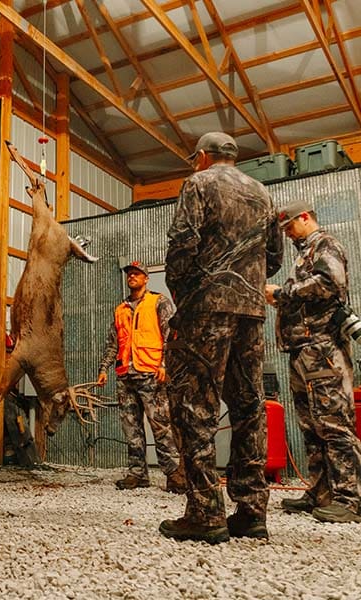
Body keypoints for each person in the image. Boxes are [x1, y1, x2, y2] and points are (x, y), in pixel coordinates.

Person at [159, 132, 283, 543]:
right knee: (249, 407)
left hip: (206, 310)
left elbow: (182, 243)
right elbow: (275, 258)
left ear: (202, 158)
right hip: (251, 312)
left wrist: (184, 296)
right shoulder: (263, 192)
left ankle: (206, 513)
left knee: (194, 405)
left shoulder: (199, 183)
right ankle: (251, 512)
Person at [265, 200, 361, 523]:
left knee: (334, 423)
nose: (288, 233)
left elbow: (329, 283)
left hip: (321, 348)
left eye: (291, 225)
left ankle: (351, 498)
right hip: (301, 350)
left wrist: (282, 294)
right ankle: (321, 492)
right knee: (310, 425)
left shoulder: (326, 244)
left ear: (306, 218)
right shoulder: (304, 253)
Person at [97, 260, 186, 494]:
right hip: (126, 376)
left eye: (137, 274)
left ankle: (174, 474)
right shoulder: (121, 309)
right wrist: (104, 368)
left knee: (161, 426)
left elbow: (171, 335)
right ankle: (137, 474)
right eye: (129, 274)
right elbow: (113, 343)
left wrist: (165, 365)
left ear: (146, 278)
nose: (132, 277)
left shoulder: (159, 302)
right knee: (131, 428)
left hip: (151, 374)